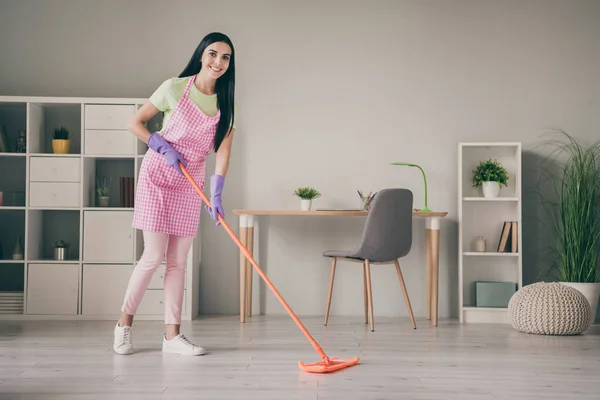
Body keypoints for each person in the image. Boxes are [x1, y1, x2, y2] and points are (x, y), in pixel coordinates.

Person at [113, 32, 236, 356]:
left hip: (190, 180)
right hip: (157, 173)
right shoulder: (175, 87)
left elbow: (223, 150)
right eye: (213, 54)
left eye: (225, 58)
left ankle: (172, 337)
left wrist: (217, 192)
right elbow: (135, 123)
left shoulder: (226, 103)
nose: (218, 62)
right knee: (152, 256)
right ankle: (124, 325)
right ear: (201, 55)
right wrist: (160, 145)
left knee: (179, 261)